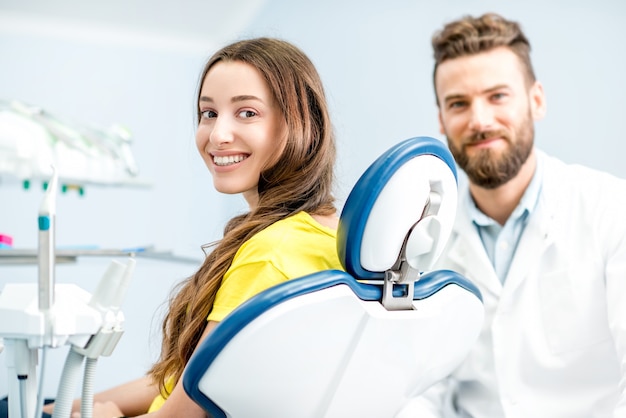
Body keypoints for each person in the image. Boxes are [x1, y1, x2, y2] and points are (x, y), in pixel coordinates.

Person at [36, 37, 343, 418]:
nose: (217, 135)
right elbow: (187, 377)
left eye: (247, 113)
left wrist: (108, 415)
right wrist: (74, 406)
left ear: (301, 123)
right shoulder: (322, 231)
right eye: (209, 113)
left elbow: (182, 413)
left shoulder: (272, 253)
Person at [399, 12, 626, 418]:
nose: (480, 120)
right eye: (458, 103)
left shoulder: (610, 211)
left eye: (497, 96)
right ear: (441, 121)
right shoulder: (420, 242)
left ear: (536, 100)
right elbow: (419, 388)